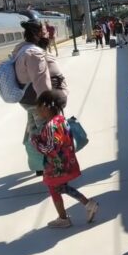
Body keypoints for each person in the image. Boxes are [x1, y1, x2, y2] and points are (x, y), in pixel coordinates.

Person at [31, 89, 99, 228]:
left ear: (46, 107)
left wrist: (36, 142)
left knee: (53, 187)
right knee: (62, 188)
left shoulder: (50, 126)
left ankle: (63, 219)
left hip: (56, 167)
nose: (38, 112)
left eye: (39, 108)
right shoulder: (61, 120)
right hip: (67, 162)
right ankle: (88, 204)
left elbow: (50, 149)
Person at [13, 20, 69, 176]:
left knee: (34, 134)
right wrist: (49, 106)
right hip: (40, 104)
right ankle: (55, 171)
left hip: (30, 102)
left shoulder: (24, 49)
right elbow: (41, 83)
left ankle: (39, 165)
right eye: (45, 31)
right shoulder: (34, 54)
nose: (48, 34)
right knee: (49, 137)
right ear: (37, 34)